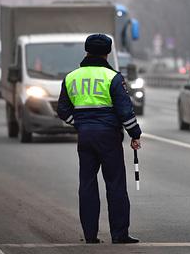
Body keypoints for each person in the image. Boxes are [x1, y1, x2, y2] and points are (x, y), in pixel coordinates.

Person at [57, 34, 142, 244]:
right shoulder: (112, 78)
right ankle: (119, 234)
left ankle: (90, 235)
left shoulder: (71, 77)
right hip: (108, 137)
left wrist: (79, 124)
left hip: (85, 136)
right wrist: (135, 134)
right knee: (115, 185)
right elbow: (125, 111)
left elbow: (62, 110)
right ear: (108, 52)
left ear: (86, 51)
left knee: (87, 185)